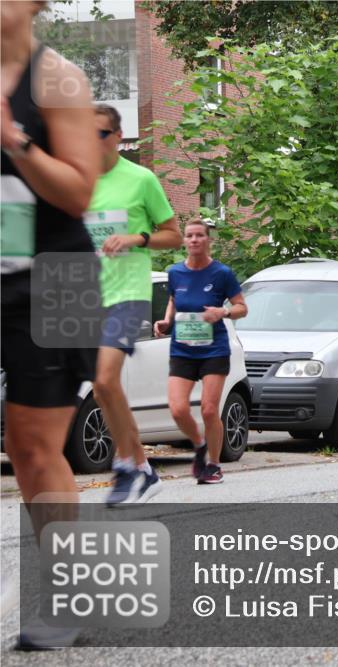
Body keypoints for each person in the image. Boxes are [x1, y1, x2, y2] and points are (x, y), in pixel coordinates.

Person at [1, 0, 100, 649]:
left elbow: (79, 190)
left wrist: (14, 139)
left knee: (36, 446)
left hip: (58, 278)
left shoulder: (57, 78)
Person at [89, 104, 182, 506]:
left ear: (117, 136)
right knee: (98, 389)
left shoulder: (140, 179)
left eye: (101, 135)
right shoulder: (79, 183)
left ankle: (127, 465)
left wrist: (135, 239)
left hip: (128, 294)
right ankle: (143, 468)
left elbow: (173, 235)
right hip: (87, 296)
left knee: (107, 380)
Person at [154, 220, 246, 484]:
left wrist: (223, 311)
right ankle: (199, 444)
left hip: (213, 350)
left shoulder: (222, 273)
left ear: (208, 240)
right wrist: (166, 321)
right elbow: (174, 299)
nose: (194, 240)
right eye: (189, 236)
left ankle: (214, 465)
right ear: (184, 241)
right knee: (178, 408)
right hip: (182, 349)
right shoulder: (175, 273)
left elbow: (242, 307)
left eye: (199, 236)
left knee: (208, 410)